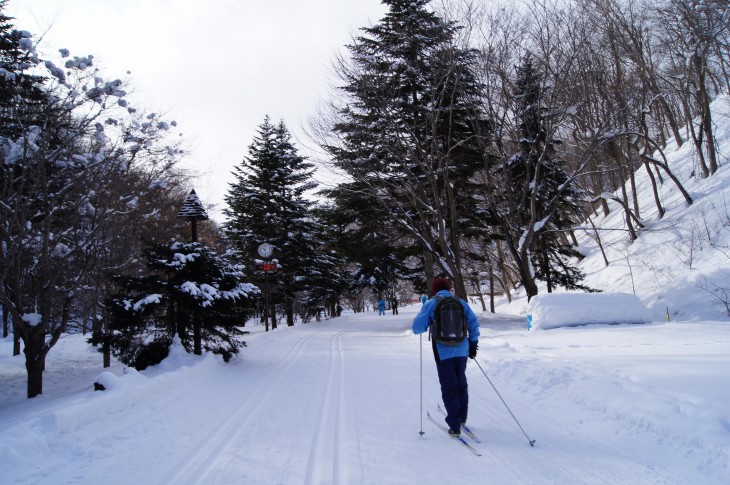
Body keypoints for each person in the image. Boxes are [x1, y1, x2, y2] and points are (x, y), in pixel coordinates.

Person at [412, 276, 479, 437]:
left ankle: (454, 426)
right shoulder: (461, 302)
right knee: (461, 383)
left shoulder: (431, 303)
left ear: (434, 289)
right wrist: (473, 343)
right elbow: (474, 323)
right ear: (449, 288)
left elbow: (417, 327)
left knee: (449, 387)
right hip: (462, 349)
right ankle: (462, 418)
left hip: (443, 352)